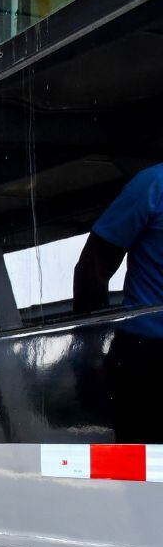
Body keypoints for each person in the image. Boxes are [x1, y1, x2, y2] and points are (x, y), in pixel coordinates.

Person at [73, 162, 163, 442]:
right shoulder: (153, 185)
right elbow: (92, 268)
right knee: (146, 474)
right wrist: (90, 354)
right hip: (147, 356)